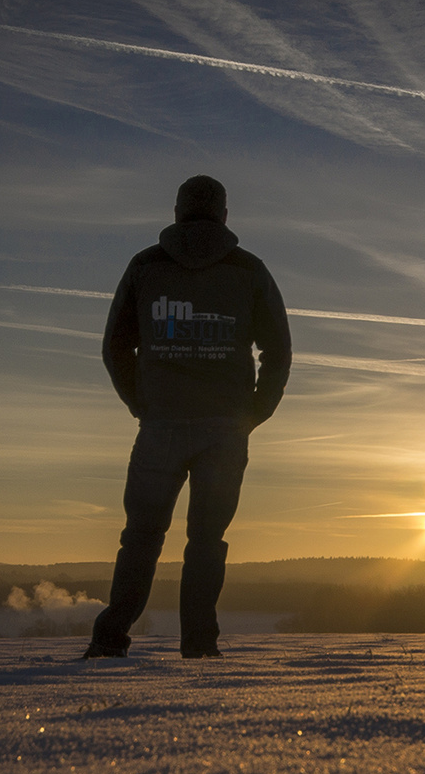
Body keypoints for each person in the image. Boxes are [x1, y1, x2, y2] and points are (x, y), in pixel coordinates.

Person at [80, 175, 292, 659]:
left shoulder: (146, 266)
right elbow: (278, 351)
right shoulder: (248, 269)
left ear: (177, 211)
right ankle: (199, 644)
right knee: (206, 539)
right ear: (223, 214)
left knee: (140, 536)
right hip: (224, 428)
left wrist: (143, 403)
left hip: (162, 425)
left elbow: (116, 344)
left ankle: (110, 639)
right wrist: (252, 413)